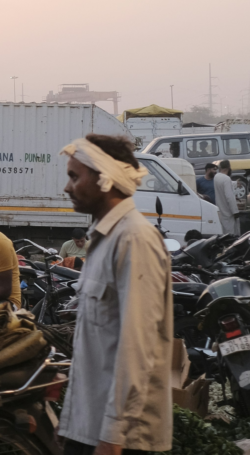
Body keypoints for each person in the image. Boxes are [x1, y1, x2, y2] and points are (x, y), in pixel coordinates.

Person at [57, 134, 172, 453]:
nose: (67, 188)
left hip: (120, 440)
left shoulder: (134, 240)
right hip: (90, 429)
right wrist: (71, 423)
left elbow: (136, 348)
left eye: (74, 176)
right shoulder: (104, 239)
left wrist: (112, 438)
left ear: (106, 179)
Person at [216, 160, 240, 235]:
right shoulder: (226, 179)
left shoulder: (216, 177)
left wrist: (235, 183)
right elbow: (229, 197)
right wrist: (235, 212)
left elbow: (222, 187)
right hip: (228, 213)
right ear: (228, 168)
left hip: (221, 210)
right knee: (231, 235)